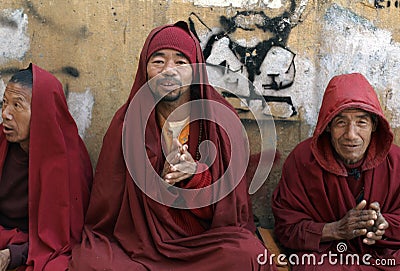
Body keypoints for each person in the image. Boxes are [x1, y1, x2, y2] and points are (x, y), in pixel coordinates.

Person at [69, 21, 276, 270]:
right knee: (91, 262)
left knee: (249, 256)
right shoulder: (126, 123)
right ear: (144, 69)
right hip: (142, 244)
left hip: (203, 243)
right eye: (158, 61)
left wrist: (197, 177)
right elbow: (107, 207)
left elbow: (230, 212)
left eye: (180, 62)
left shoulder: (221, 122)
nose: (169, 70)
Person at [272, 73, 400, 270]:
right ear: (328, 126)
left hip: (382, 255)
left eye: (361, 122)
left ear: (374, 125)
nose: (351, 135)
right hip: (330, 257)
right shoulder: (303, 160)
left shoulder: (395, 161)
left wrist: (384, 225)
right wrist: (334, 230)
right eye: (340, 122)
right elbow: (285, 228)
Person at [0, 64, 93, 270]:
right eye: (4, 103)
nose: (5, 114)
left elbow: (63, 239)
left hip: (32, 247)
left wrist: (13, 254)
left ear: (43, 112)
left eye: (17, 106)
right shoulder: (2, 142)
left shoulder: (69, 159)